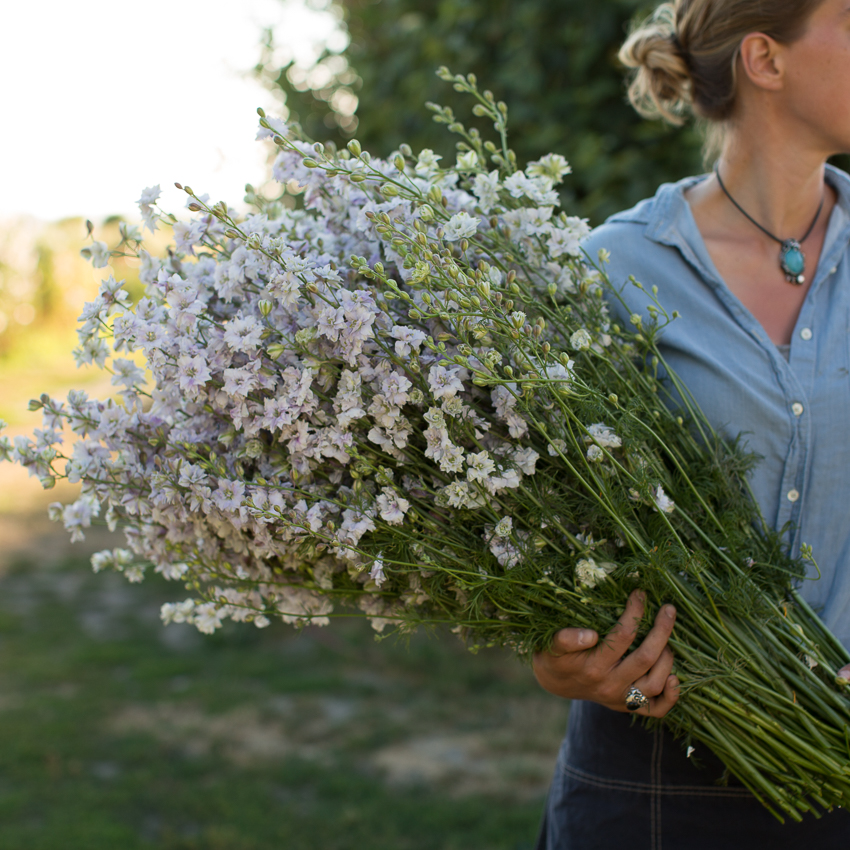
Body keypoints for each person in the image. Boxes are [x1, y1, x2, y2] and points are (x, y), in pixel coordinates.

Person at [533, 1, 850, 846]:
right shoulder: (612, 270)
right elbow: (543, 526)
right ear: (765, 59)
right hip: (650, 778)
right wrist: (559, 651)